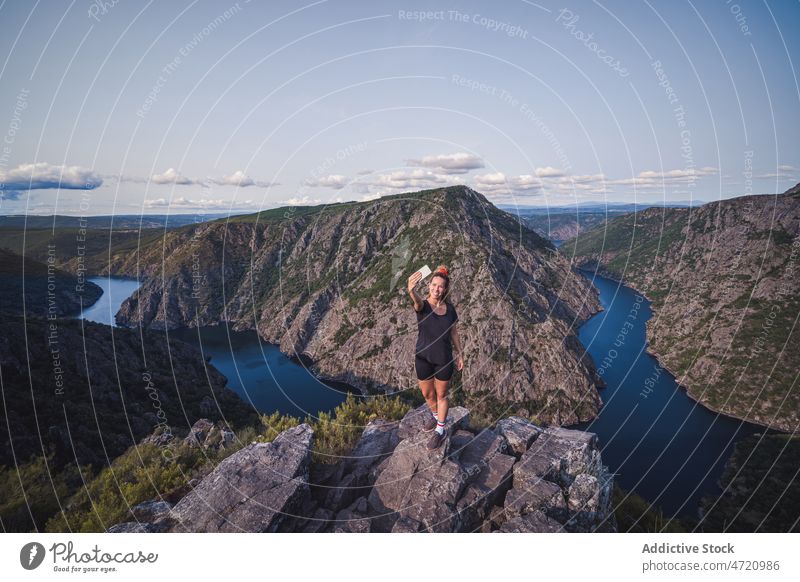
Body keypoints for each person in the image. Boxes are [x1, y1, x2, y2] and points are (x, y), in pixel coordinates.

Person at [406, 264, 464, 450]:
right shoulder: (423, 305)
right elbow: (416, 302)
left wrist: (460, 354)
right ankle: (436, 417)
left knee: (441, 395)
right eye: (433, 284)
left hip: (443, 359)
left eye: (440, 286)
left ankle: (440, 430)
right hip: (422, 357)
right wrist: (410, 290)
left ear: (445, 289)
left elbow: (454, 333)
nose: (436, 288)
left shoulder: (450, 309)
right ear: (429, 285)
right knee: (427, 394)